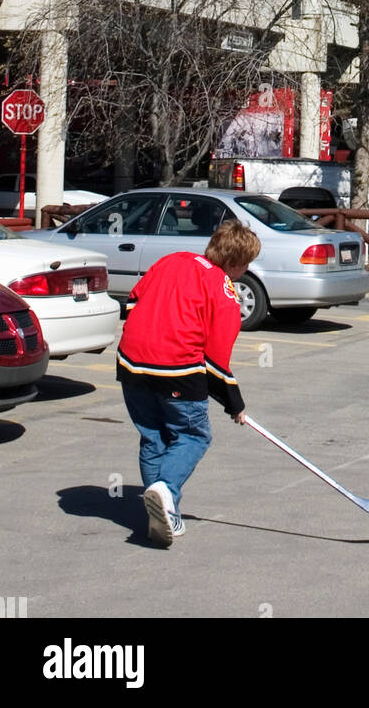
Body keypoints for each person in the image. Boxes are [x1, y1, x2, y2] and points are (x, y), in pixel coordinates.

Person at [116, 219, 261, 547]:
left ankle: (165, 513)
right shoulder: (223, 288)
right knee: (193, 435)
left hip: (130, 363)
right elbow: (216, 357)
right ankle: (166, 489)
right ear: (236, 263)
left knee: (153, 438)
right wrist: (233, 402)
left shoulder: (171, 260)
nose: (245, 270)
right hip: (176, 369)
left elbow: (133, 303)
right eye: (246, 264)